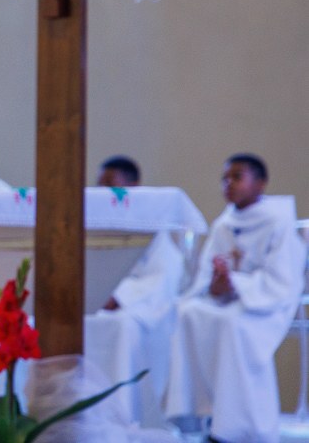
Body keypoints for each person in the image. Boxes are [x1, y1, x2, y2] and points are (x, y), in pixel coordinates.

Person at [164, 154, 305, 443]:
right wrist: (214, 286)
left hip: (266, 306)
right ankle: (199, 415)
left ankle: (242, 429)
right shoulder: (224, 223)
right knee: (187, 312)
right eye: (224, 178)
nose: (228, 184)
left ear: (260, 183)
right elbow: (206, 274)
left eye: (237, 177)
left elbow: (282, 280)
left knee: (232, 325)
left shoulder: (279, 222)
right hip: (231, 300)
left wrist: (235, 284)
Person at [85, 155, 185, 428]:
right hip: (98, 303)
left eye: (112, 187)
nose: (104, 194)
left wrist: (119, 297)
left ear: (134, 187)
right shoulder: (93, 223)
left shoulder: (150, 224)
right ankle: (85, 418)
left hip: (138, 306)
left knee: (124, 327)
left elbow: (163, 274)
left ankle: (123, 417)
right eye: (100, 187)